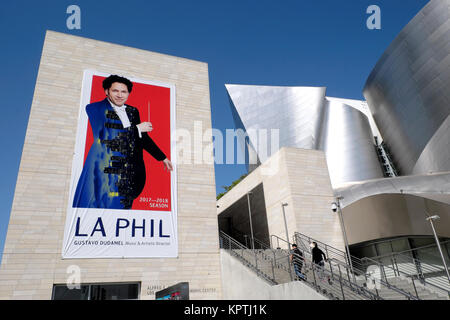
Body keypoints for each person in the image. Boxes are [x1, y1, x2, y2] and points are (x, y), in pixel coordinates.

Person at [72, 75, 173, 210]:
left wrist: (162, 157)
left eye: (124, 92)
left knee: (122, 212)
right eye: (115, 91)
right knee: (98, 211)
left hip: (129, 174)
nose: (120, 95)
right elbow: (104, 134)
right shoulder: (94, 108)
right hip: (104, 170)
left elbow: (142, 138)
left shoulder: (132, 111)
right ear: (107, 91)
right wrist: (137, 128)